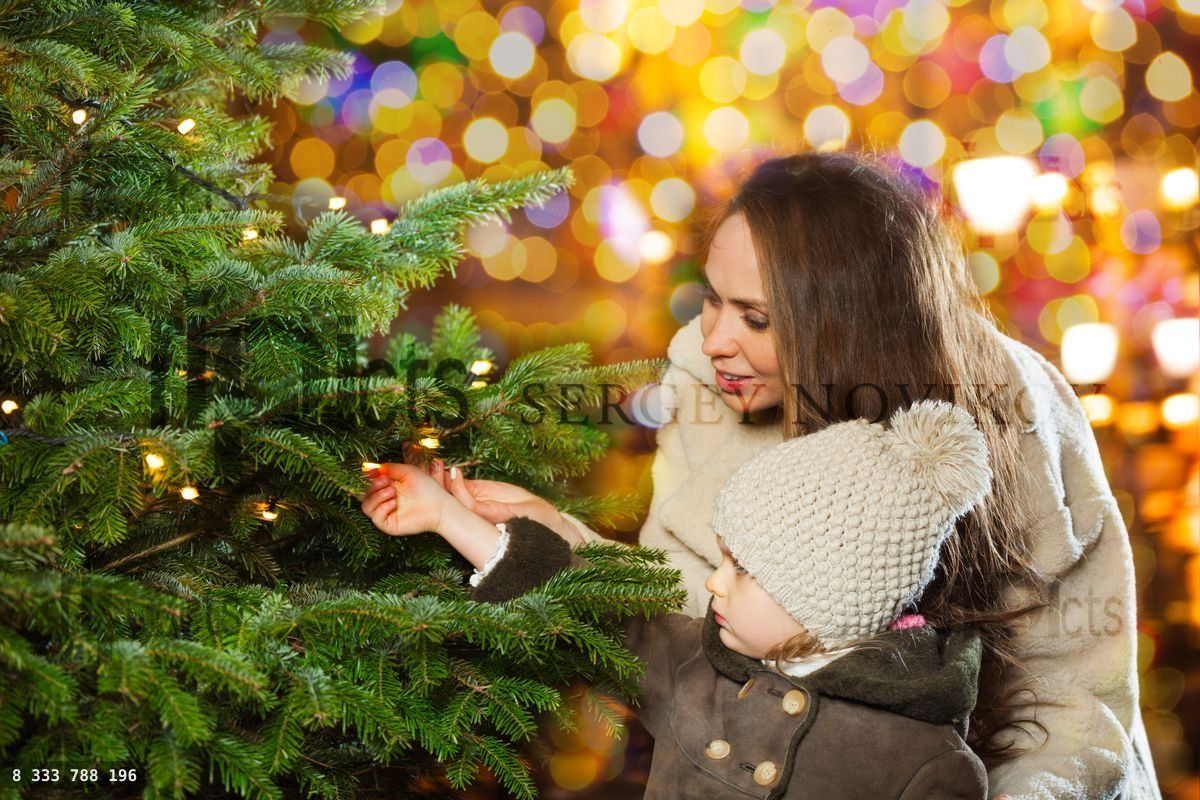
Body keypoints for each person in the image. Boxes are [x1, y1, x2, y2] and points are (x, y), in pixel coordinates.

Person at [411, 150, 1161, 800]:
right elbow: (685, 631)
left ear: (847, 321)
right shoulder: (709, 381)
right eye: (710, 298)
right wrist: (555, 535)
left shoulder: (1003, 402)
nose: (715, 338)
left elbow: (1072, 703)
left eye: (756, 318)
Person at [361, 400, 996, 799]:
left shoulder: (926, 766)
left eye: (741, 569)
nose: (714, 583)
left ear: (824, 601)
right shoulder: (699, 665)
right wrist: (448, 517)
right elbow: (590, 607)